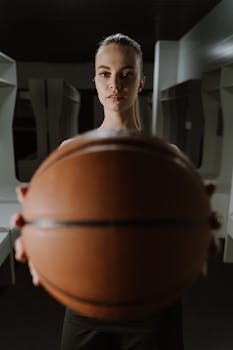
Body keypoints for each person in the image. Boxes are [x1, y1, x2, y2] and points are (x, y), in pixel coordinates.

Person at [13, 33, 221, 350]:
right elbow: (53, 221)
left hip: (152, 301)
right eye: (105, 73)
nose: (115, 84)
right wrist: (36, 233)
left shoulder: (168, 156)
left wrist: (198, 228)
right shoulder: (69, 153)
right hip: (85, 299)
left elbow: (186, 223)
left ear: (140, 82)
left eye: (127, 74)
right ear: (95, 81)